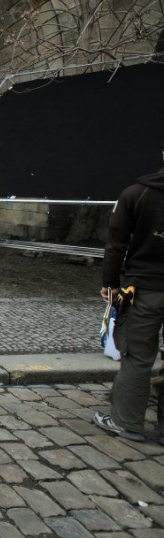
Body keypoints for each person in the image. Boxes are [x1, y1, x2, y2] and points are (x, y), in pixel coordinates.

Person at [94, 163, 164, 446]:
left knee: (137, 356)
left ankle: (127, 422)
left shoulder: (137, 193)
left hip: (145, 287)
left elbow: (116, 243)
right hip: (145, 284)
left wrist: (110, 283)